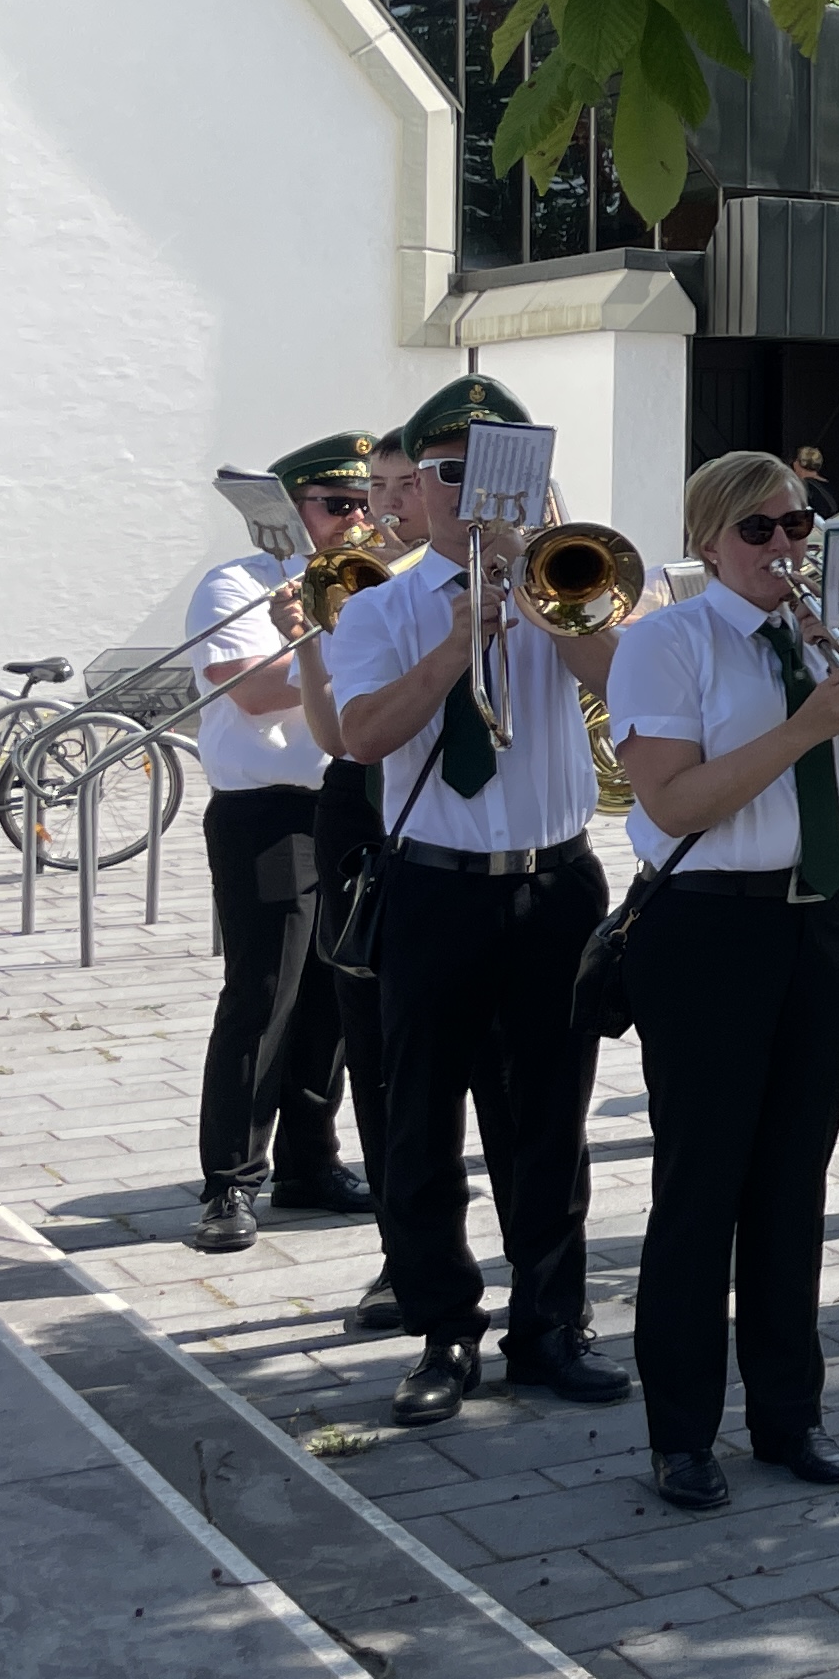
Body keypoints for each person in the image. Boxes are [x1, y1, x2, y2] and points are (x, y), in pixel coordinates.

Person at [606, 452, 839, 1511]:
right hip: (709, 928)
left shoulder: (825, 640)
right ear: (709, 540)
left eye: (797, 527)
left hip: (821, 917)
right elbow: (675, 802)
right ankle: (682, 1432)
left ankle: (789, 1413)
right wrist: (805, 725)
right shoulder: (665, 643)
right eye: (760, 530)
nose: (785, 547)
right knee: (702, 1185)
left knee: (793, 1182)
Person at [324, 376, 628, 1428]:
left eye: (502, 474)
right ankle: (444, 1327)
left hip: (553, 883)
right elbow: (362, 735)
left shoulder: (569, 585)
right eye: (451, 475)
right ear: (418, 485)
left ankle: (551, 1324)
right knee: (419, 1124)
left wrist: (540, 594)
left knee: (549, 1121)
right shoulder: (380, 607)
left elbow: (627, 684)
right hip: (434, 886)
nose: (474, 495)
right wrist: (457, 643)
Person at [188, 432, 386, 1256]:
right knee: (264, 992)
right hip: (266, 809)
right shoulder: (236, 584)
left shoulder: (370, 582)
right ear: (290, 508)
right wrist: (330, 642)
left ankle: (311, 1163)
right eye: (338, 505)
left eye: (367, 504)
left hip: (344, 803)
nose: (357, 520)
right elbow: (255, 691)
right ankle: (230, 1180)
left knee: (333, 995)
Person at [296, 435, 427, 1338]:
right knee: (376, 1052)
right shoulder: (357, 587)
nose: (383, 509)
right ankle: (401, 1254)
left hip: (460, 827)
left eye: (400, 488)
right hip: (362, 808)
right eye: (374, 490)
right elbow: (334, 738)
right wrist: (310, 640)